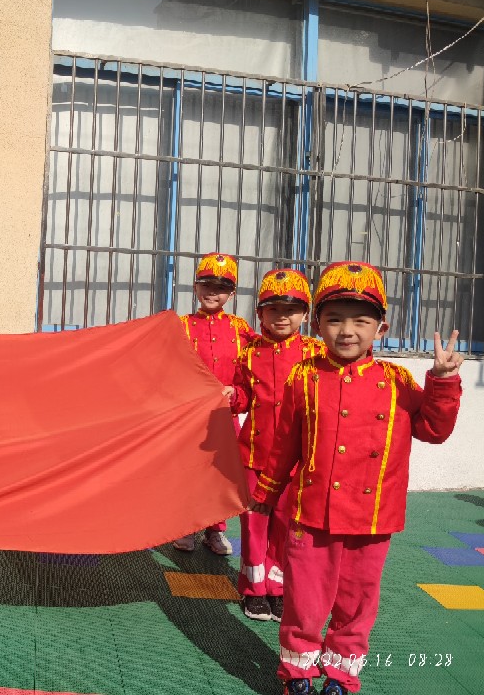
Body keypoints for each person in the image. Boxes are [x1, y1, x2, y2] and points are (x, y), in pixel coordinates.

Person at [249, 261, 463, 695]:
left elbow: (434, 431)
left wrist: (443, 381)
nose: (347, 331)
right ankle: (298, 675)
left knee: (357, 604)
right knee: (305, 603)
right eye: (335, 320)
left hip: (372, 518)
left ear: (381, 329)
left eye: (361, 321)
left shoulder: (397, 381)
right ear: (317, 325)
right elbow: (285, 444)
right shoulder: (304, 376)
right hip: (312, 516)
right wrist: (267, 492)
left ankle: (341, 676)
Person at [230, 268, 324, 623]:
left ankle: (277, 587)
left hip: (298, 460)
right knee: (254, 524)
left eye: (291, 309)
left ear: (306, 315)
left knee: (286, 524)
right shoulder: (248, 353)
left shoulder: (317, 353)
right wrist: (230, 396)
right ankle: (254, 591)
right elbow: (243, 397)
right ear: (260, 313)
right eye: (273, 309)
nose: (282, 316)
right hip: (254, 456)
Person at [175, 252, 256, 554]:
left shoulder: (241, 329)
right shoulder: (179, 326)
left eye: (221, 288)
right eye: (206, 285)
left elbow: (254, 372)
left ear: (231, 294)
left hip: (225, 417)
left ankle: (215, 530)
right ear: (195, 287)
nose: (212, 293)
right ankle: (187, 526)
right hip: (189, 417)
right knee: (190, 473)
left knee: (221, 476)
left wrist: (237, 394)